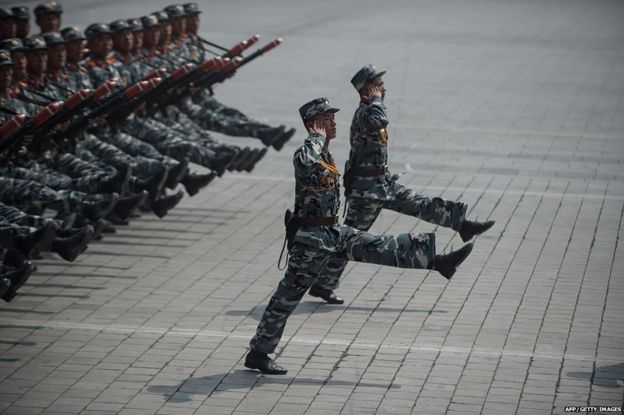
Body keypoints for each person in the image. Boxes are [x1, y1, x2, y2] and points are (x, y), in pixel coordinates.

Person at [245, 97, 475, 374]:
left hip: (331, 233)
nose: (333, 121)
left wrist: (320, 142)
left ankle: (438, 261)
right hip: (311, 241)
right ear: (312, 124)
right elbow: (306, 165)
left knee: (378, 245)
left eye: (332, 117)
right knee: (286, 298)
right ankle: (258, 353)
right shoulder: (307, 152)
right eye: (326, 118)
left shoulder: (325, 154)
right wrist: (315, 139)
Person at [308, 65, 496, 304]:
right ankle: (323, 284)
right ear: (366, 89)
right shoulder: (366, 113)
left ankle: (463, 224)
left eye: (382, 85)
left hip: (381, 184)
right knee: (350, 240)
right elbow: (380, 118)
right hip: (366, 192)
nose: (383, 89)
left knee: (420, 203)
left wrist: (376, 98)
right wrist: (375, 99)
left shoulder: (371, 109)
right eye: (377, 85)